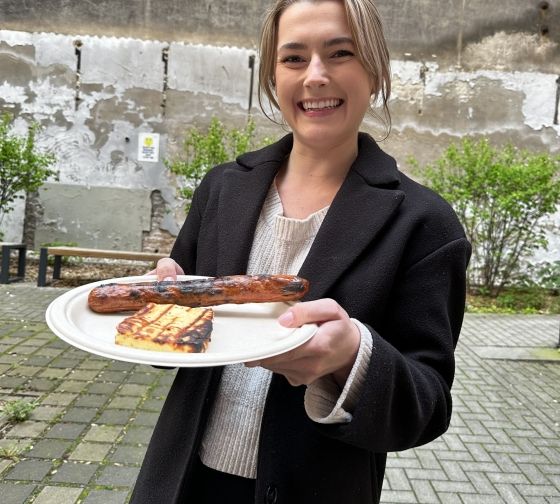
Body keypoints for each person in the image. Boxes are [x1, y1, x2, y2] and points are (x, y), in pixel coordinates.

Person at [130, 0, 471, 503]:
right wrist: (162, 311)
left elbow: (428, 405)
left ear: (375, 71)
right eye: (294, 58)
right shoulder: (223, 188)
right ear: (272, 77)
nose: (315, 76)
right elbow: (177, 351)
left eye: (340, 53)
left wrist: (353, 357)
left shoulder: (424, 223)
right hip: (182, 480)